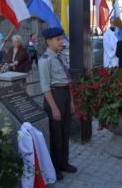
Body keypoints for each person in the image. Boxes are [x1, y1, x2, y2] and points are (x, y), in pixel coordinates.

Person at [38, 27, 77, 181]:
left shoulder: (60, 56)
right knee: (56, 134)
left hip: (65, 95)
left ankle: (64, 162)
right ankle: (54, 166)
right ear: (49, 41)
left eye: (61, 39)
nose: (61, 41)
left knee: (65, 131)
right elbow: (45, 87)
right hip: (54, 97)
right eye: (58, 39)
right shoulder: (45, 60)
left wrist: (71, 101)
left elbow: (67, 81)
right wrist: (54, 108)